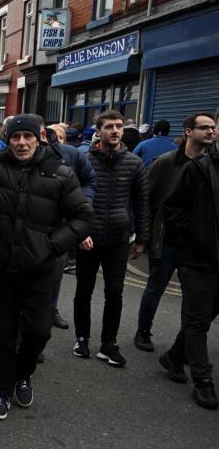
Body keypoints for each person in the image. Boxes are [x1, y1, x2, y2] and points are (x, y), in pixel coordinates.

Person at [0, 114, 93, 420]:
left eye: (27, 137)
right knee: (3, 334)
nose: (21, 143)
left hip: (40, 269)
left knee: (37, 332)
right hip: (0, 268)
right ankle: (2, 391)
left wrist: (52, 245)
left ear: (39, 137)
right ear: (7, 138)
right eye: (15, 137)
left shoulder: (60, 174)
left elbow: (83, 218)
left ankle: (23, 374)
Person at [71, 110, 149, 366]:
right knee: (84, 290)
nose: (115, 131)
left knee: (114, 292)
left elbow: (141, 202)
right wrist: (80, 231)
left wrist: (142, 238)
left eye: (119, 126)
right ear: (99, 131)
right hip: (88, 237)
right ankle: (82, 338)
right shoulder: (85, 160)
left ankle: (108, 343)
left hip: (118, 238)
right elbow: (73, 199)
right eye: (109, 127)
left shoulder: (134, 162)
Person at [160, 112, 219, 409]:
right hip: (198, 258)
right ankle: (203, 380)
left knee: (204, 315)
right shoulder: (198, 169)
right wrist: (197, 234)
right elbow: (172, 209)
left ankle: (173, 356)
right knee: (198, 320)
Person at [136, 114, 207, 354]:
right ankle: (143, 331)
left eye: (213, 127)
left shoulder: (210, 165)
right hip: (166, 237)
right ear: (188, 131)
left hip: (196, 243)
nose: (211, 131)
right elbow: (147, 199)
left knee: (193, 298)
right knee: (155, 287)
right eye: (204, 127)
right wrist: (143, 235)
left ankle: (183, 345)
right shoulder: (165, 162)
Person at [47, 121, 96, 331]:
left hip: (63, 227)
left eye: (59, 136)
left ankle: (51, 311)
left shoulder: (72, 155)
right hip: (34, 228)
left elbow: (88, 180)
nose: (54, 139)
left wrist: (81, 208)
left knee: (56, 275)